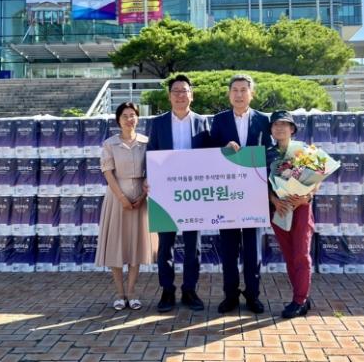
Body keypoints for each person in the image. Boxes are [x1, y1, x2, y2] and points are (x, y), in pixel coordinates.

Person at [147, 74, 211, 313]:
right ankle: (167, 291)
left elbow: (213, 155)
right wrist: (148, 179)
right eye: (176, 91)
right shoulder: (159, 123)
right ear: (169, 96)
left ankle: (189, 290)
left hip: (195, 195)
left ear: (191, 95)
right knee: (165, 246)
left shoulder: (203, 123)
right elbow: (150, 153)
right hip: (165, 194)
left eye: (184, 91)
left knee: (194, 246)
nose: (180, 95)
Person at [210, 73, 272, 314]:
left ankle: (253, 295)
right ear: (229, 94)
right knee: (228, 249)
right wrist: (223, 149)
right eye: (234, 90)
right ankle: (230, 295)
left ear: (251, 94)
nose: (238, 94)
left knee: (252, 250)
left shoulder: (263, 120)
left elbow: (270, 153)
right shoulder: (219, 120)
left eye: (243, 90)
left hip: (254, 195)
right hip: (227, 195)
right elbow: (208, 152)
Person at [95, 102, 157, 311]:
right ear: (118, 120)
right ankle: (119, 293)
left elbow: (152, 170)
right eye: (125, 116)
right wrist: (121, 197)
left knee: (135, 246)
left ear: (137, 118)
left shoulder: (146, 142)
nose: (129, 119)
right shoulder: (110, 144)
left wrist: (142, 196)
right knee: (116, 246)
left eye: (133, 115)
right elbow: (107, 172)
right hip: (116, 198)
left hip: (141, 197)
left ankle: (131, 292)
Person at [266, 110, 317, 318]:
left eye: (284, 124)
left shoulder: (304, 150)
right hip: (280, 209)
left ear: (292, 129)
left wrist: (307, 197)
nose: (280, 128)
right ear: (271, 129)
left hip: (301, 208)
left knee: (301, 255)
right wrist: (274, 200)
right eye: (275, 124)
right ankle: (302, 296)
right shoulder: (267, 153)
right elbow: (261, 182)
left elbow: (317, 178)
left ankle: (299, 300)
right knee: (289, 256)